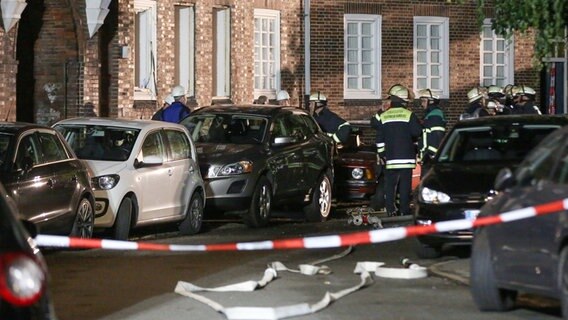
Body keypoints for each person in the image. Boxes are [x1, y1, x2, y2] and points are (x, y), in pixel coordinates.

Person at [374, 84, 422, 216]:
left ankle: (390, 209)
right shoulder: (409, 115)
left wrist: (382, 154)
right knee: (405, 186)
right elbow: (417, 132)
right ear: (403, 101)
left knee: (390, 186)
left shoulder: (384, 116)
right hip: (406, 158)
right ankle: (404, 210)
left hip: (390, 158)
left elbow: (379, 139)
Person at [417, 89, 446, 178]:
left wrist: (430, 154)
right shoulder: (430, 114)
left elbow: (437, 136)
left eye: (424, 101)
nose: (422, 104)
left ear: (431, 101)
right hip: (428, 157)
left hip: (430, 158)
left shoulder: (435, 115)